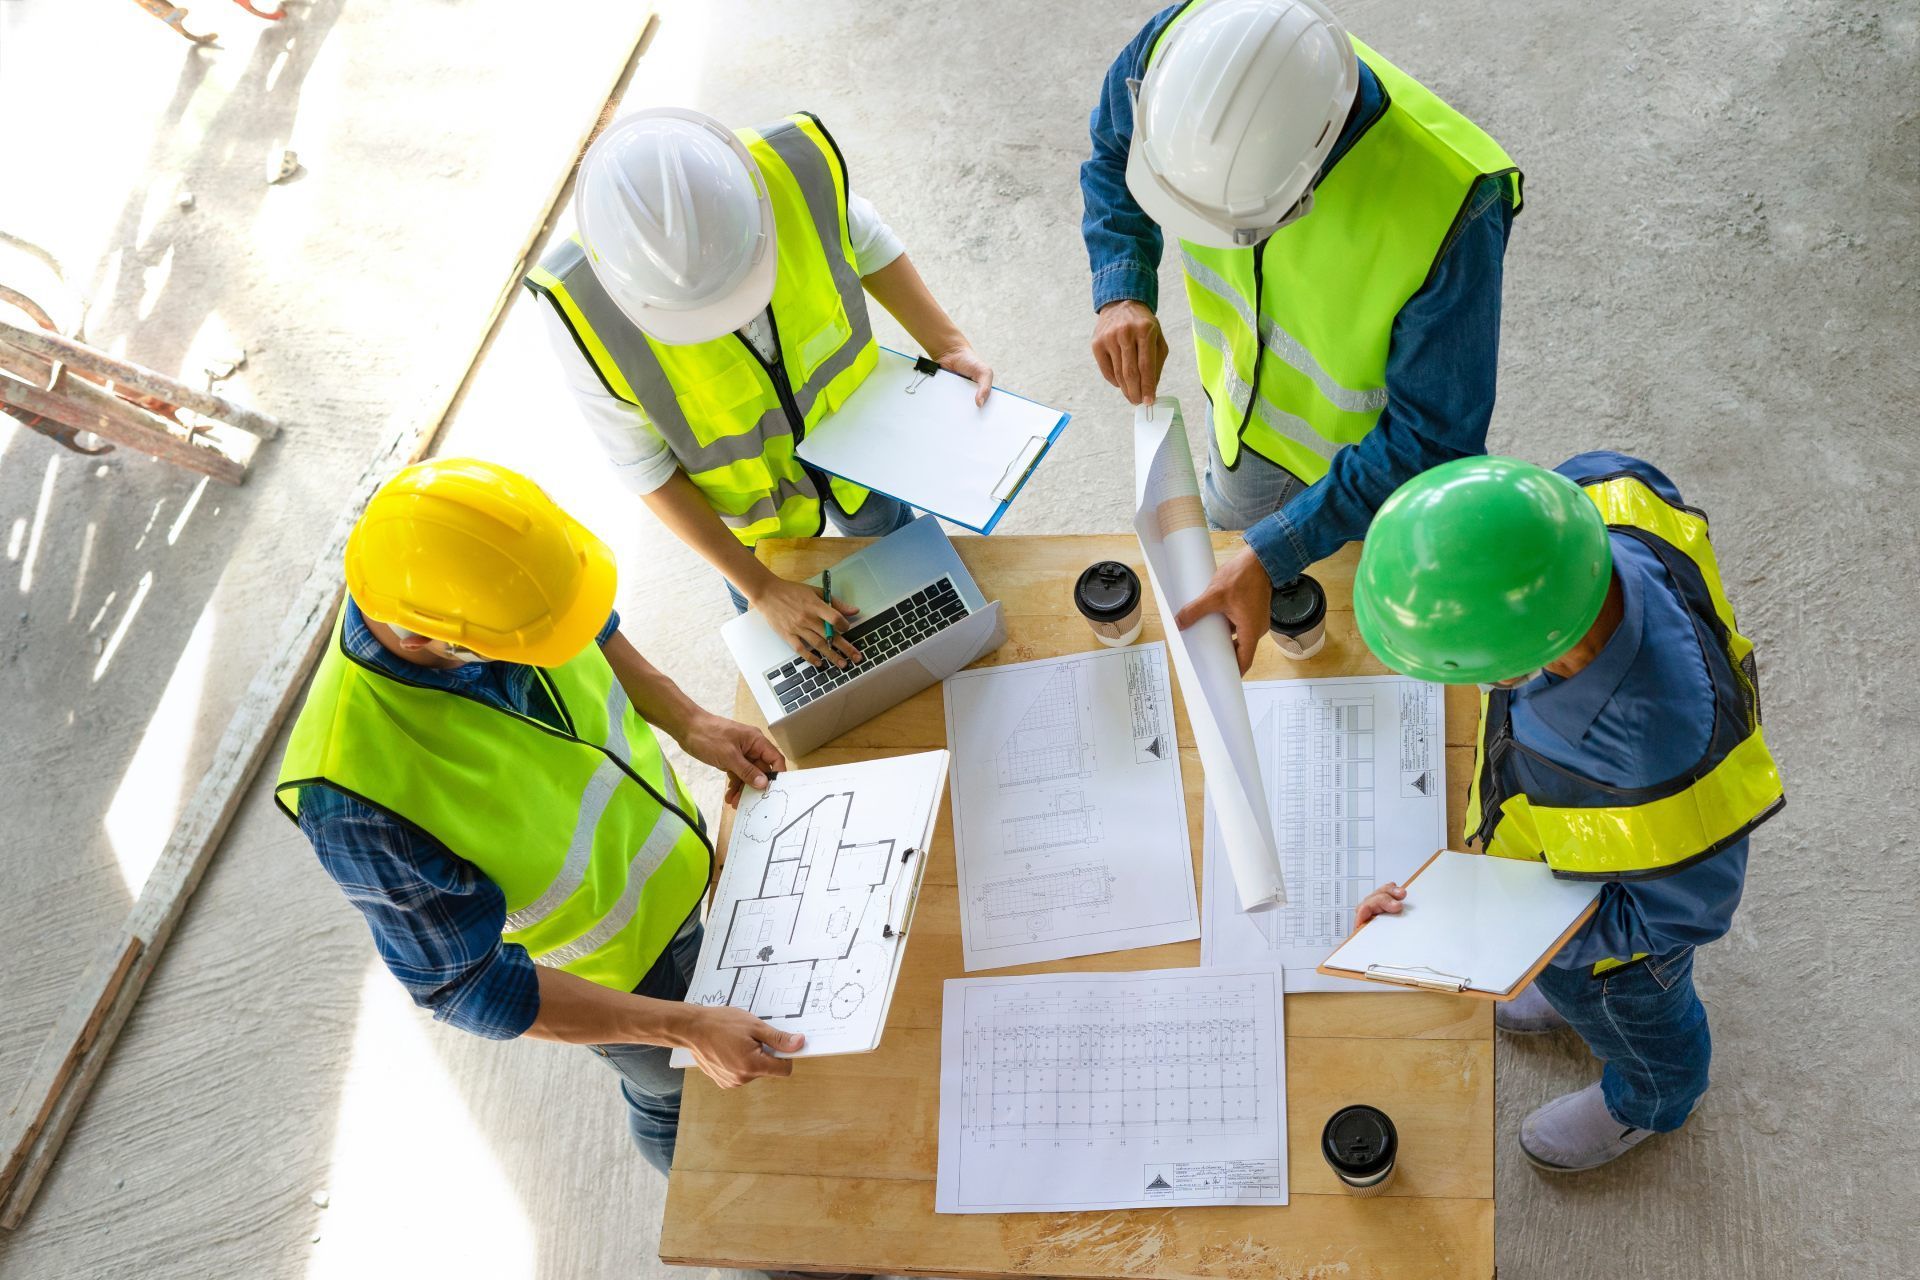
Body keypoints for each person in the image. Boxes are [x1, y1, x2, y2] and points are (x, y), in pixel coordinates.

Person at [275, 458, 802, 1179]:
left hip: (683, 872)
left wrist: (688, 718)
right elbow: (471, 988)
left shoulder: (482, 570)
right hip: (619, 980)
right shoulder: (354, 797)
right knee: (675, 1096)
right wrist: (681, 1026)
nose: (560, 643)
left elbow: (586, 623)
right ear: (429, 639)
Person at [1347, 453, 1785, 1172]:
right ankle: (1560, 988)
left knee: (1639, 1023)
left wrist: (1534, 942)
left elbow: (1686, 914)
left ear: (1521, 665)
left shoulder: (1664, 759)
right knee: (1565, 982)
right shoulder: (1596, 497)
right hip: (1564, 861)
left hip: (1625, 958)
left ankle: (1649, 1100)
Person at [1079, 0, 1523, 672]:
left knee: (1380, 633)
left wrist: (1275, 549)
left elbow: (1432, 440)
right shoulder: (1186, 46)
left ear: (1306, 182)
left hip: (1369, 465)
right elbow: (1115, 151)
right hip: (1239, 428)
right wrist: (1122, 288)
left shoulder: (1452, 204)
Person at [528, 107, 993, 669]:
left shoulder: (791, 173)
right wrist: (759, 588)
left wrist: (946, 344)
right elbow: (646, 471)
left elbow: (867, 242)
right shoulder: (581, 311)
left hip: (862, 449)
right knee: (804, 660)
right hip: (754, 536)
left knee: (906, 563)